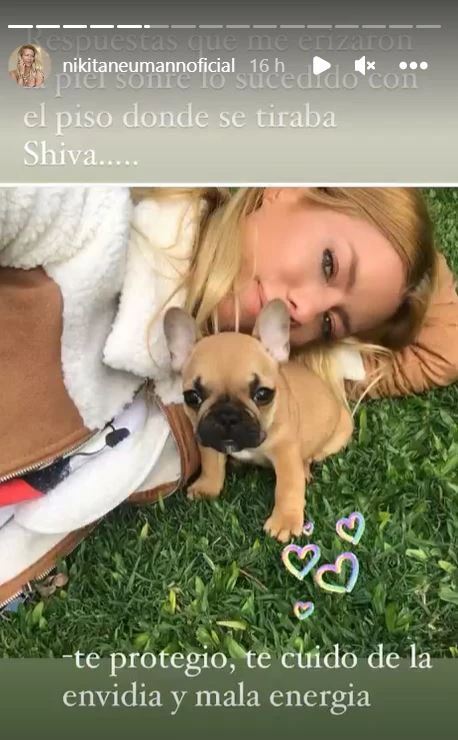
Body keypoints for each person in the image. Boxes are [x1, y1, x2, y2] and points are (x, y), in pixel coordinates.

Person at [0, 186, 457, 608]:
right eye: (328, 263)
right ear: (285, 190)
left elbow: (445, 350)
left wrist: (407, 262)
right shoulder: (106, 229)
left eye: (329, 323)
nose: (306, 309)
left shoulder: (274, 367)